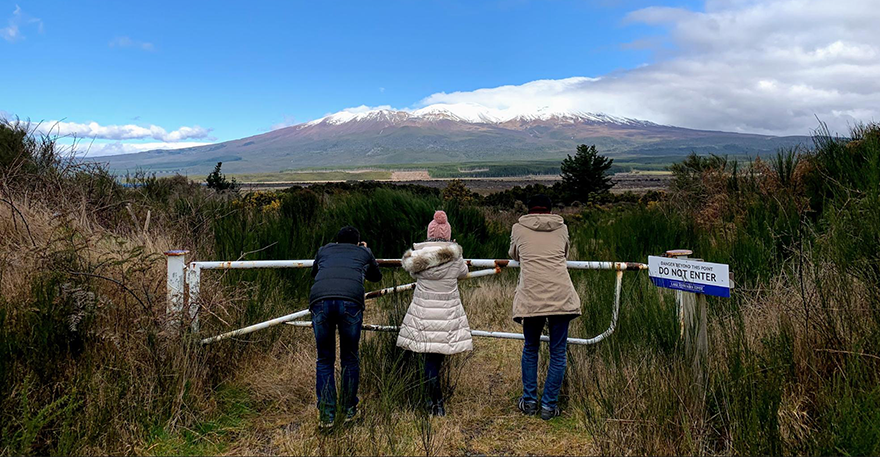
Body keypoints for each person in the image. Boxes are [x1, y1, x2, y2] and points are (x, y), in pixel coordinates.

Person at [509, 195, 581, 420]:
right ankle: (549, 406)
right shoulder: (562, 229)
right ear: (550, 210)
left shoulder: (518, 228)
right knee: (558, 352)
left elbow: (514, 254)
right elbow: (565, 253)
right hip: (561, 296)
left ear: (529, 210)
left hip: (531, 297)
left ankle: (529, 402)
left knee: (531, 349)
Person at [397, 210, 472, 417]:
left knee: (428, 360)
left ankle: (432, 401)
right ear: (448, 235)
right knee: (435, 360)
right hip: (446, 314)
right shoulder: (456, 258)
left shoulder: (418, 259)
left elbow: (413, 272)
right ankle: (436, 403)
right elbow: (463, 273)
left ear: (429, 234)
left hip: (422, 314)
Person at [309, 226, 382, 428]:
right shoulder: (363, 252)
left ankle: (327, 416)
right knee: (349, 358)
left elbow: (314, 272)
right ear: (358, 242)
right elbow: (376, 276)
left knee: (324, 359)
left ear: (337, 240)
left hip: (320, 301)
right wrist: (365, 251)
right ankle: (349, 410)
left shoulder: (324, 250)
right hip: (350, 303)